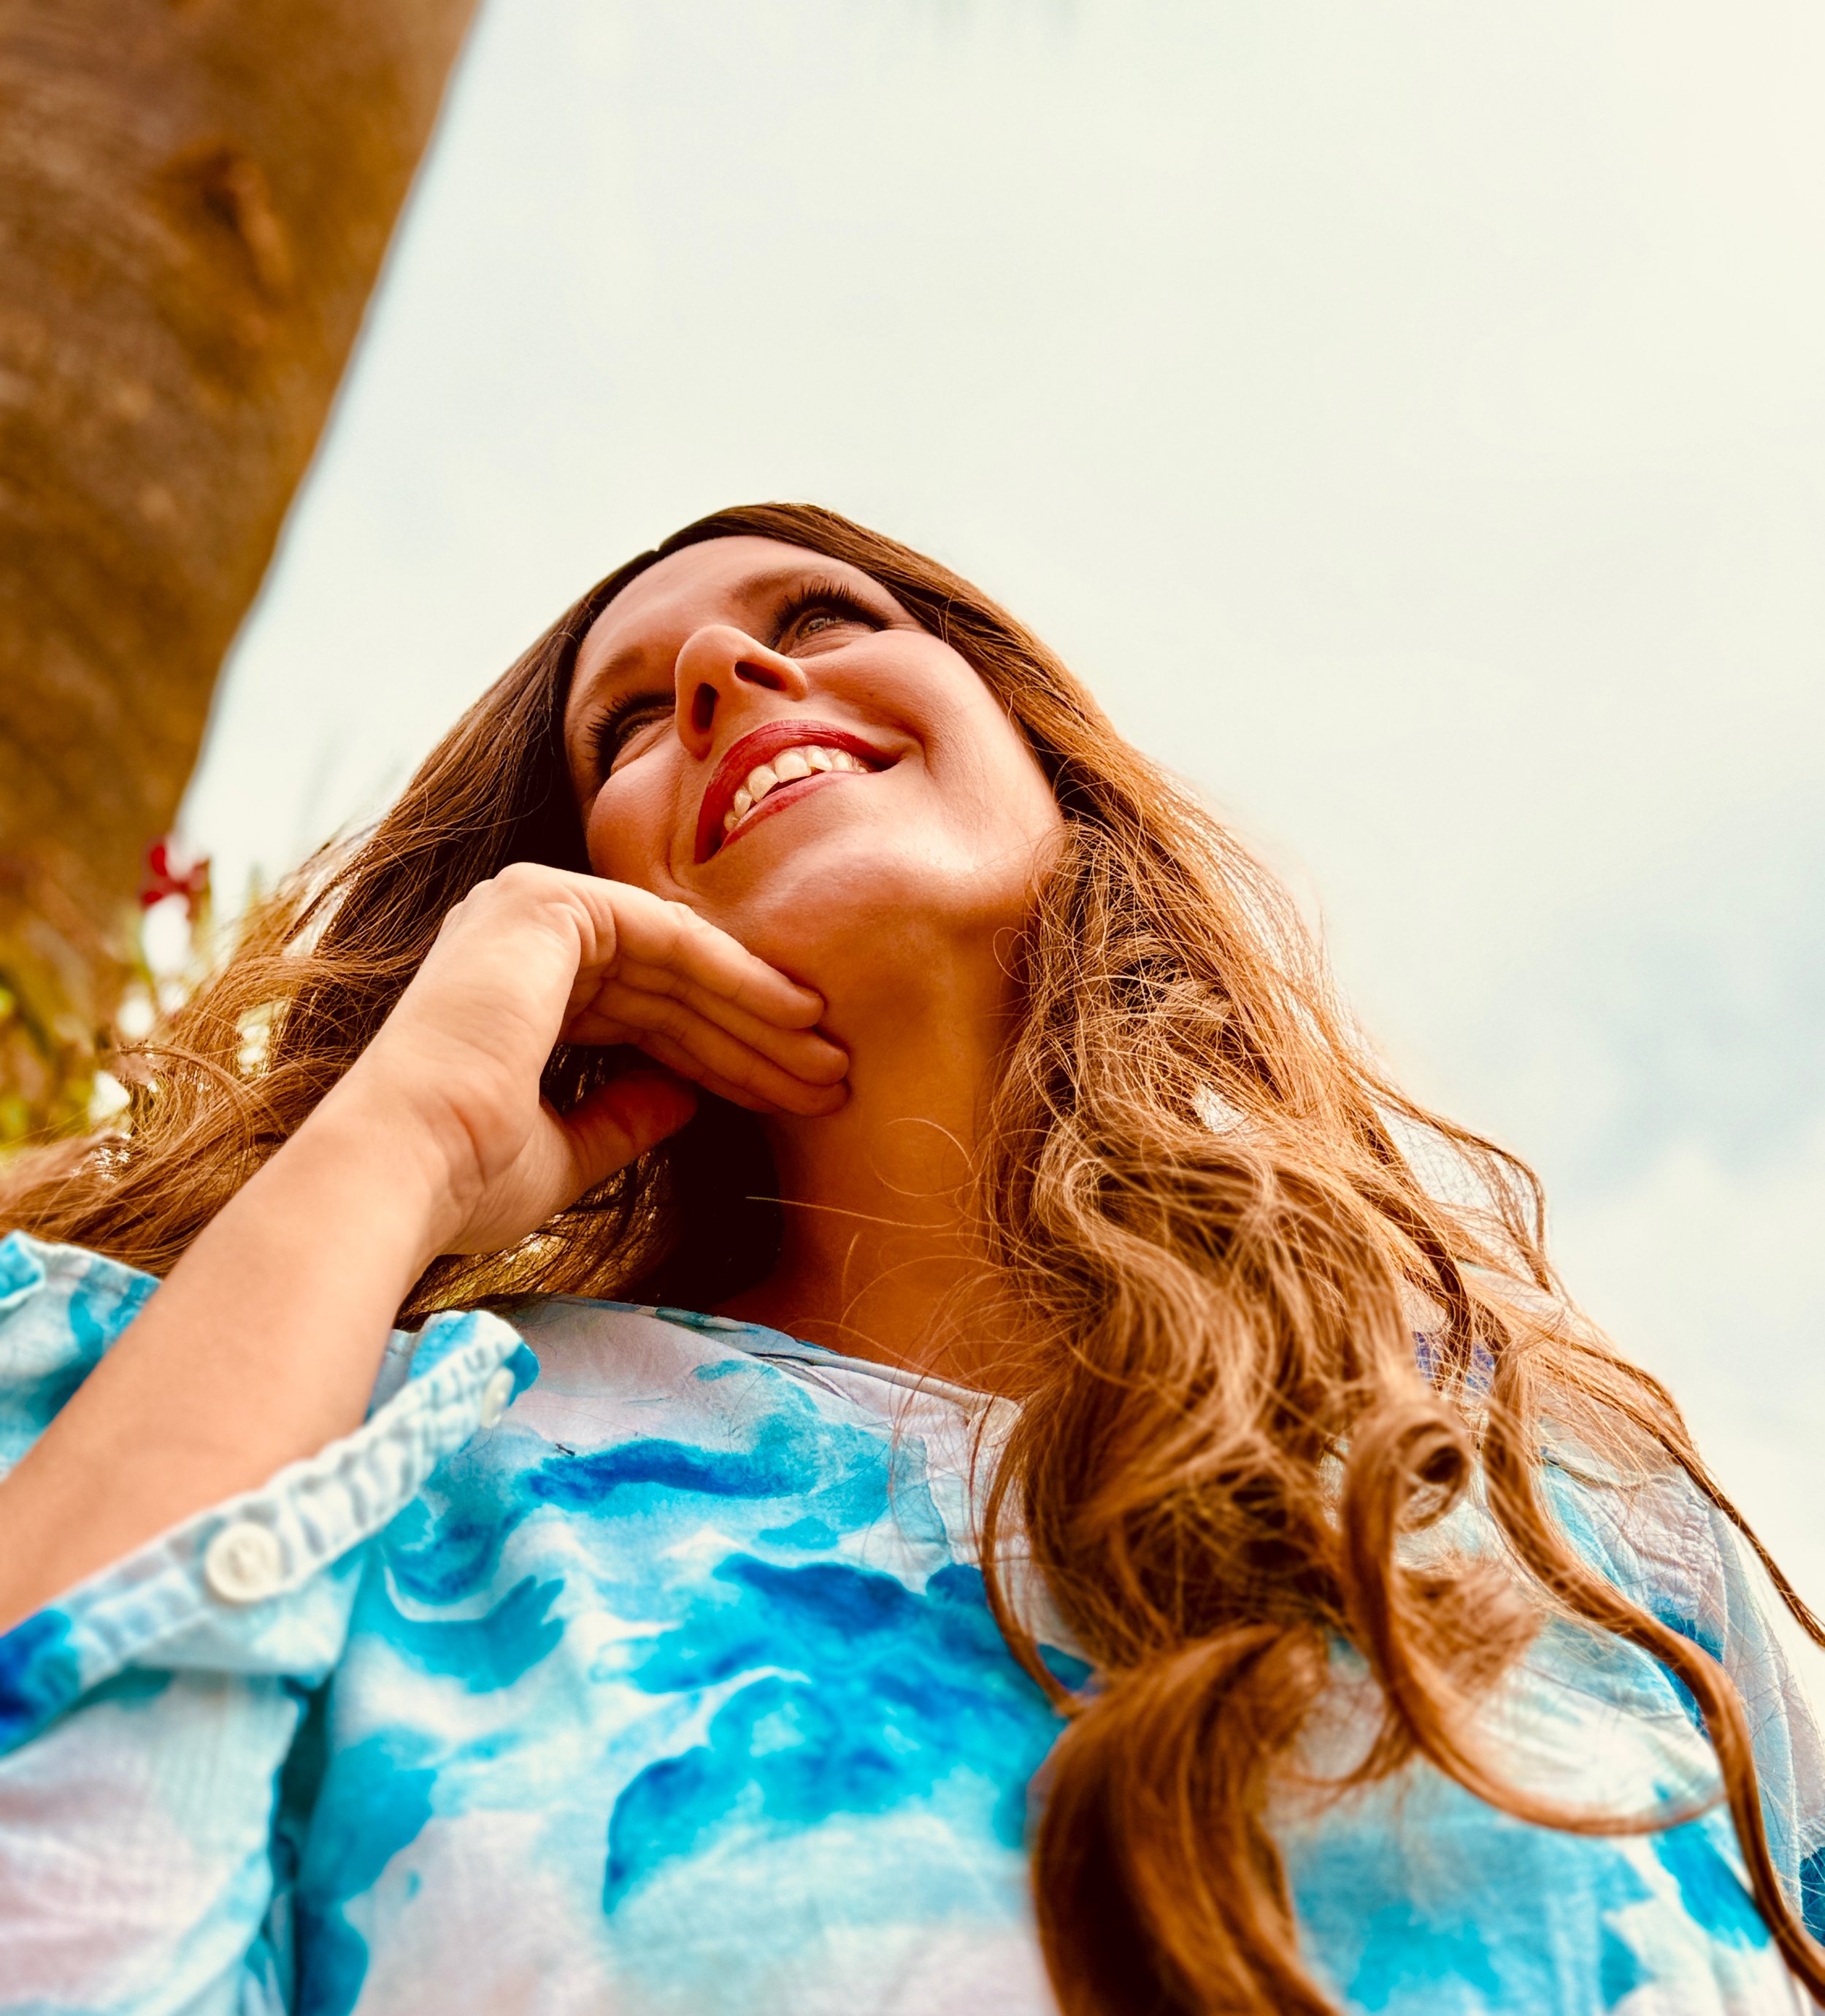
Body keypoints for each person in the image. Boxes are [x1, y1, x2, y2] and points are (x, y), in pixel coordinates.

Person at [0, 502, 1821, 2016]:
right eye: (625, 729)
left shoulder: (1559, 1493)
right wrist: (402, 1132)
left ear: (1037, 758)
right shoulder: (400, 1470)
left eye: (823, 612)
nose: (725, 675)